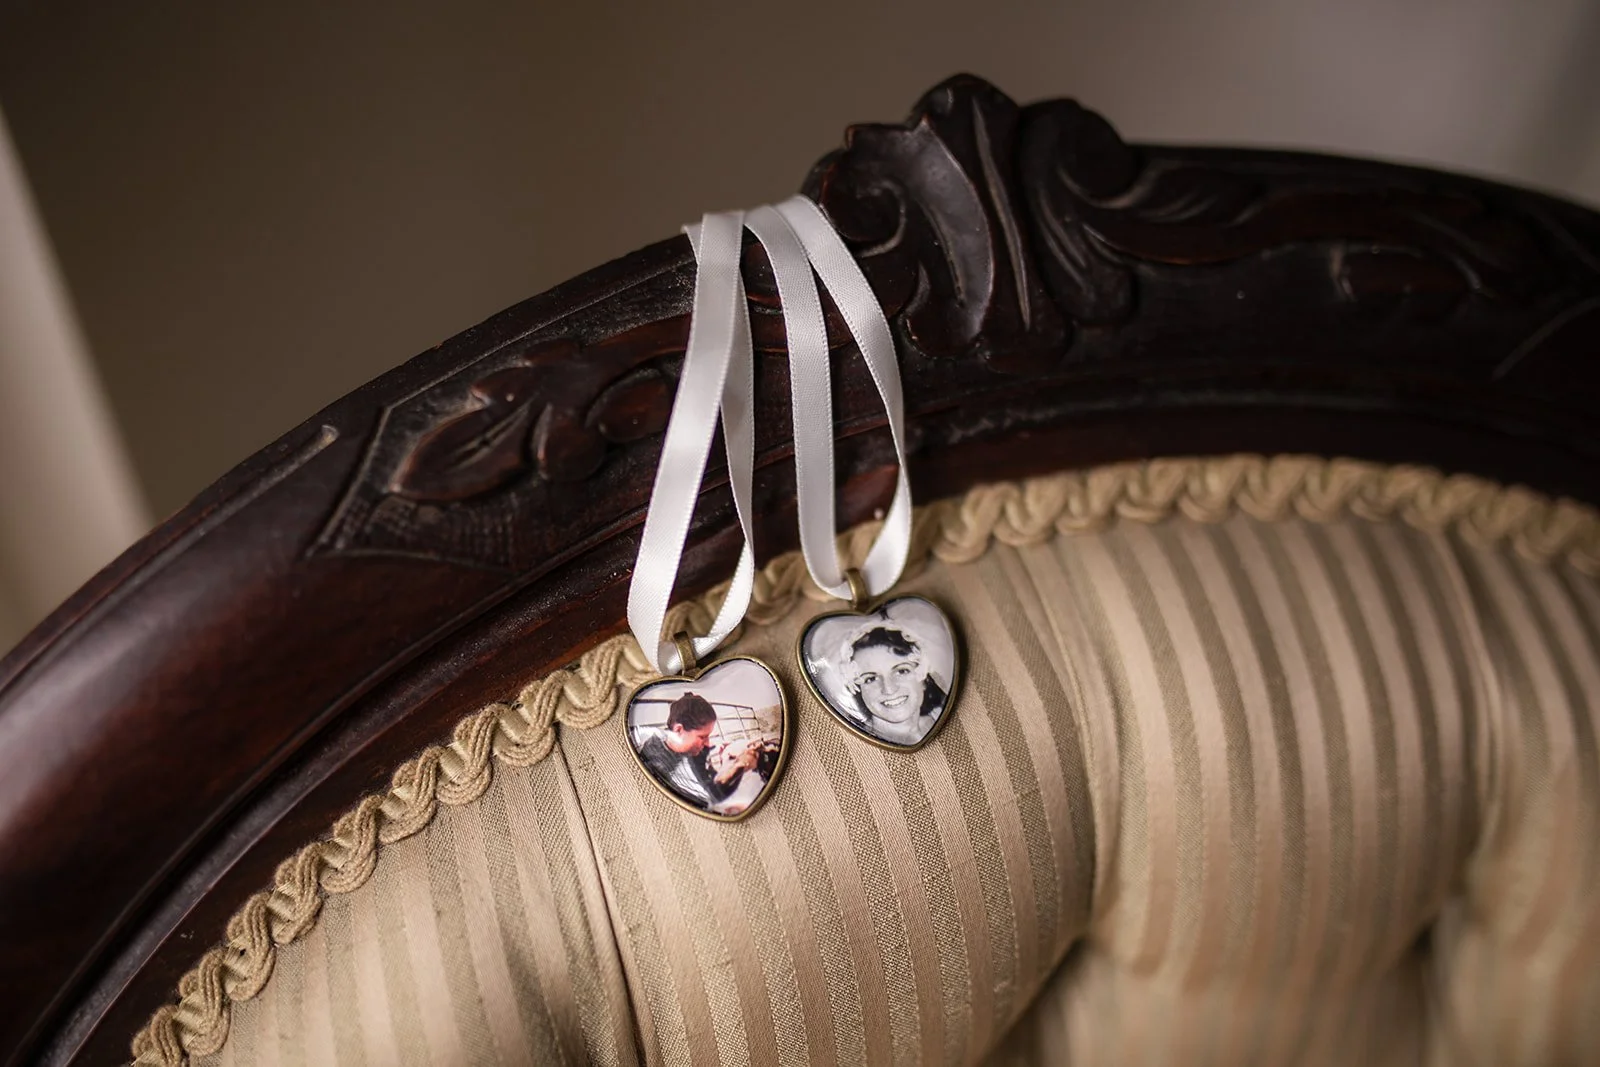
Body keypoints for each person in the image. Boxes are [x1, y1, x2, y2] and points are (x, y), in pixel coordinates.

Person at [633, 692, 759, 809]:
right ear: (678, 730)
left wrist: (724, 758)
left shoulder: (687, 750)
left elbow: (705, 778)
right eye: (702, 737)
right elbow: (710, 798)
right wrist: (740, 766)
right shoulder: (657, 764)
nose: (707, 743)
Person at [840, 622, 947, 746]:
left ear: (924, 678)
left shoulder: (941, 716)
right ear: (858, 689)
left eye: (901, 671)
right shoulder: (857, 744)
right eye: (871, 679)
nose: (889, 689)